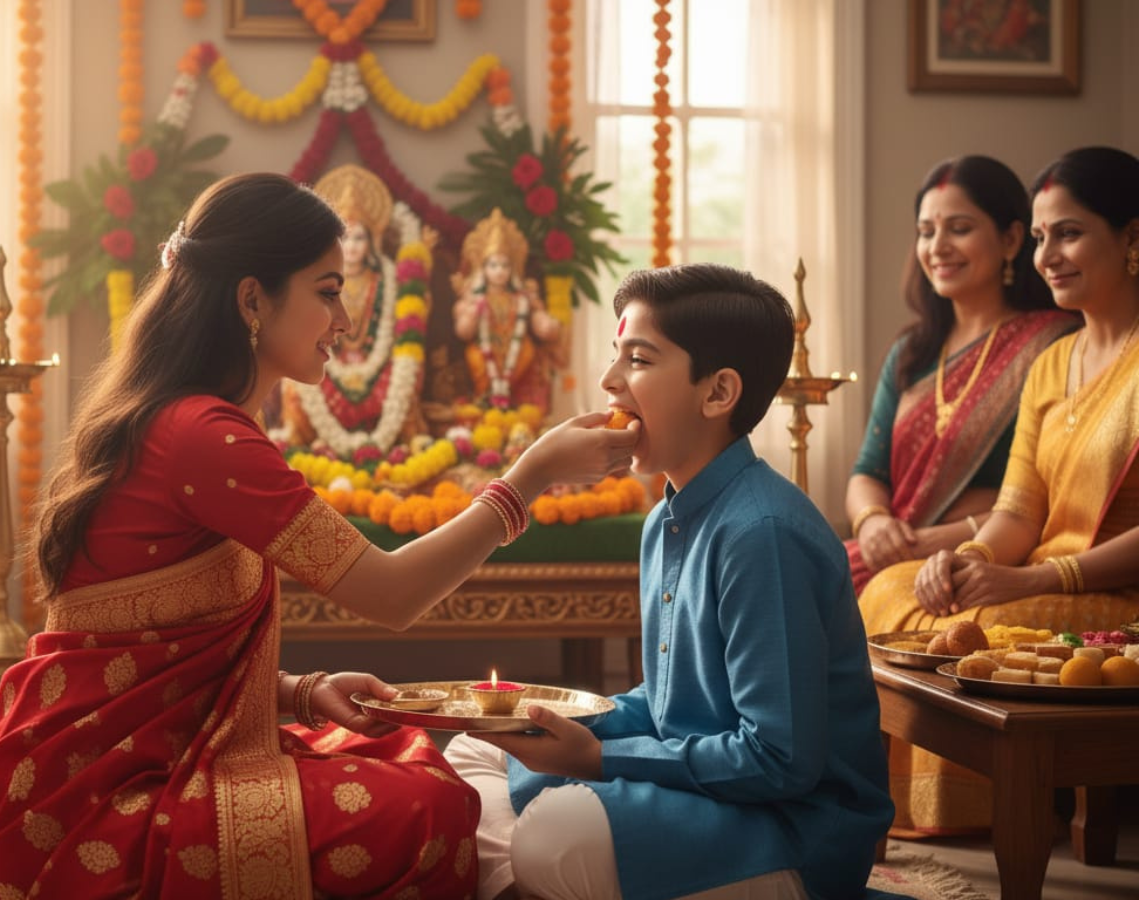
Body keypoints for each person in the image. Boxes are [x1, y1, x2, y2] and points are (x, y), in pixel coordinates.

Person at [0, 173, 639, 899]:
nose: (345, 321)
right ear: (252, 300)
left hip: (124, 763)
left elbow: (159, 654)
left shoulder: (191, 420)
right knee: (431, 807)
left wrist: (299, 692)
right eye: (327, 292)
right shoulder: (203, 436)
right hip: (97, 804)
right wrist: (528, 479)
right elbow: (392, 594)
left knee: (410, 754)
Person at [445, 264, 893, 900]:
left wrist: (594, 760)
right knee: (478, 749)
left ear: (717, 393)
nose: (609, 381)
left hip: (791, 831)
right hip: (710, 794)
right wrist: (561, 720)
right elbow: (667, 705)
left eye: (639, 359)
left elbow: (779, 759)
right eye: (615, 356)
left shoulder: (760, 531)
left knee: (554, 835)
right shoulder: (665, 520)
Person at [861, 146, 1139, 835]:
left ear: (1133, 239)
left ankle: (982, 812)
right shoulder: (1052, 362)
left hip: (1114, 593)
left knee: (978, 627)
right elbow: (1019, 508)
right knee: (895, 590)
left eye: (1068, 233)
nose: (1048, 256)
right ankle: (905, 807)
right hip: (1036, 575)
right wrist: (972, 562)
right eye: (1042, 237)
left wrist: (1031, 576)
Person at [846, 155, 1074, 595]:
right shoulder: (912, 351)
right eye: (926, 231)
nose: (938, 247)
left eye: (960, 228)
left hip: (984, 559)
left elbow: (1052, 499)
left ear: (1010, 239)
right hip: (888, 551)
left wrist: (935, 541)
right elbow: (867, 471)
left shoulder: (1054, 345)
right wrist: (873, 522)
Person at [277, 163, 430, 456]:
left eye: (359, 237)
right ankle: (300, 440)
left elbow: (404, 329)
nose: (353, 247)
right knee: (294, 383)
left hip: (380, 365)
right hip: (328, 362)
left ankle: (404, 439)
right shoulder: (316, 280)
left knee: (408, 370)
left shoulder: (387, 276)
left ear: (372, 240)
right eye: (345, 238)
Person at [453, 208, 564, 412]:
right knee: (475, 357)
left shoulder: (521, 298)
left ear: (512, 269)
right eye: (493, 265)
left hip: (516, 353)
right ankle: (485, 401)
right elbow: (463, 332)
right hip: (485, 353)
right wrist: (473, 310)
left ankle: (516, 405)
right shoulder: (473, 299)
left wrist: (549, 324)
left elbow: (543, 326)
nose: (499, 271)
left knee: (528, 351)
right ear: (483, 268)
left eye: (505, 266)